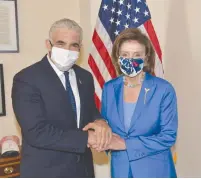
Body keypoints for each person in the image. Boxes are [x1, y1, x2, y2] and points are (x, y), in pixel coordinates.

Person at [11, 18, 112, 178]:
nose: (67, 49)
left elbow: (89, 110)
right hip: (46, 171)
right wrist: (87, 138)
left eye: (74, 45)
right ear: (48, 44)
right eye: (61, 43)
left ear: (80, 48)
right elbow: (37, 132)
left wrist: (100, 121)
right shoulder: (27, 79)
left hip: (83, 171)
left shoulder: (84, 77)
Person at [101, 28, 178, 178]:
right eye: (125, 55)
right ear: (117, 57)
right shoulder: (109, 88)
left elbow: (168, 136)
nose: (130, 60)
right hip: (120, 170)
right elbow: (106, 125)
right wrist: (99, 137)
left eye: (137, 55)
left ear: (146, 58)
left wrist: (126, 144)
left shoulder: (163, 89)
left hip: (155, 170)